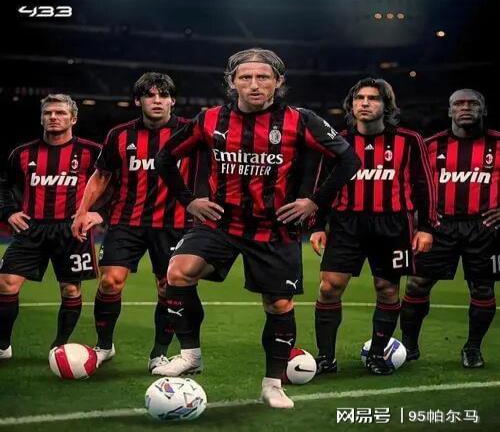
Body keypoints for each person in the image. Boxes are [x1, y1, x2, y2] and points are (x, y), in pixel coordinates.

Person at [153, 48, 360, 409]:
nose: (254, 84)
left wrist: (314, 202)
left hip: (274, 227)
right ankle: (190, 354)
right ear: (232, 82)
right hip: (221, 221)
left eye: (263, 77)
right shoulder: (210, 120)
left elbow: (348, 159)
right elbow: (165, 158)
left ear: (278, 82)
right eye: (245, 77)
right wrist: (189, 200)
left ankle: (272, 384)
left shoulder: (301, 120)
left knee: (278, 304)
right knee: (178, 272)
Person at [71, 72, 205, 371]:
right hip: (126, 221)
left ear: (172, 101)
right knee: (110, 282)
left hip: (174, 224)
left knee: (167, 288)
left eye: (163, 95)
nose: (157, 101)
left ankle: (159, 352)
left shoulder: (191, 132)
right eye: (149, 95)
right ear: (138, 101)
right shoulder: (119, 135)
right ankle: (104, 346)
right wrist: (82, 211)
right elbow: (101, 175)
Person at [310, 78, 438, 376]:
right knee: (329, 287)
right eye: (359, 98)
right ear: (351, 105)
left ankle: (378, 355)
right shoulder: (338, 141)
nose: (365, 103)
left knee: (387, 288)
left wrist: (427, 227)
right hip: (346, 223)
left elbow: (425, 185)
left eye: (373, 98)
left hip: (393, 224)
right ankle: (326, 357)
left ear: (386, 106)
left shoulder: (409, 140)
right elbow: (324, 185)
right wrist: (316, 225)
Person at [400, 88, 499, 368]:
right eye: (459, 104)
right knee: (417, 284)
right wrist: (417, 222)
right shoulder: (430, 146)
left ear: (484, 110)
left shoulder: (498, 143)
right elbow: (410, 185)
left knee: (482, 288)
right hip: (438, 225)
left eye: (473, 103)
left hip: (484, 227)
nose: (465, 108)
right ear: (449, 111)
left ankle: (472, 348)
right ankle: (409, 345)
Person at [0, 94, 103, 359]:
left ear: (73, 119)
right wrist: (9, 212)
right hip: (31, 229)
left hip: (72, 230)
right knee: (6, 283)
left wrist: (99, 213)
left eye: (60, 113)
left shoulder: (92, 152)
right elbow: (4, 185)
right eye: (48, 113)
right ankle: (2, 345)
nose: (53, 117)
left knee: (70, 289)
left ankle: (59, 346)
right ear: (41, 118)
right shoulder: (22, 153)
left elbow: (114, 183)